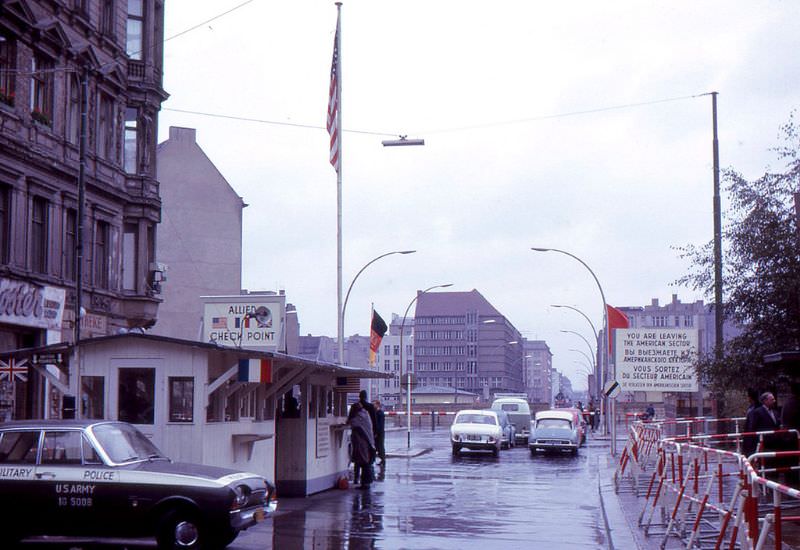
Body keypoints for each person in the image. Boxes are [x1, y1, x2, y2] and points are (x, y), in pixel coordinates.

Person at [347, 401, 376, 488]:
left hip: (362, 441)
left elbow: (351, 422)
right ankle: (364, 482)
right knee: (363, 461)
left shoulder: (358, 417)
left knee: (363, 461)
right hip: (368, 441)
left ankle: (365, 484)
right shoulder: (365, 414)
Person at [743, 391, 780, 457]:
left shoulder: (775, 412)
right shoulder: (757, 412)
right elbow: (752, 428)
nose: (774, 401)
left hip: (774, 442)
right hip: (763, 441)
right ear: (765, 401)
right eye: (772, 400)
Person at [373, 399, 386, 465]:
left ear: (377, 405)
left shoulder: (380, 413)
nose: (373, 405)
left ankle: (383, 460)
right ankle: (381, 460)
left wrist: (377, 433)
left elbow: (379, 425)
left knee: (380, 446)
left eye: (374, 404)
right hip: (378, 433)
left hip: (380, 433)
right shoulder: (377, 413)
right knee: (377, 446)